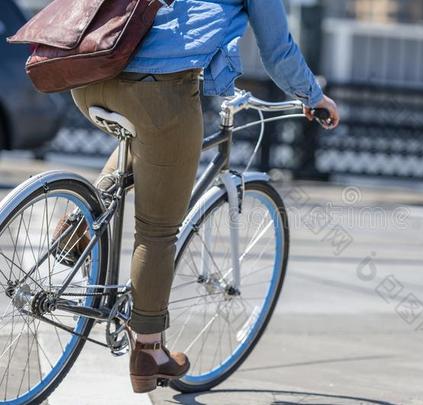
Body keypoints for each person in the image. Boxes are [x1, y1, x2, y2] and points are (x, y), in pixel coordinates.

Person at [53, 0, 340, 394]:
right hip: (160, 93)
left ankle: (76, 225)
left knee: (142, 140)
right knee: (157, 232)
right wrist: (313, 96)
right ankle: (149, 351)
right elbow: (277, 50)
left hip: (90, 72)